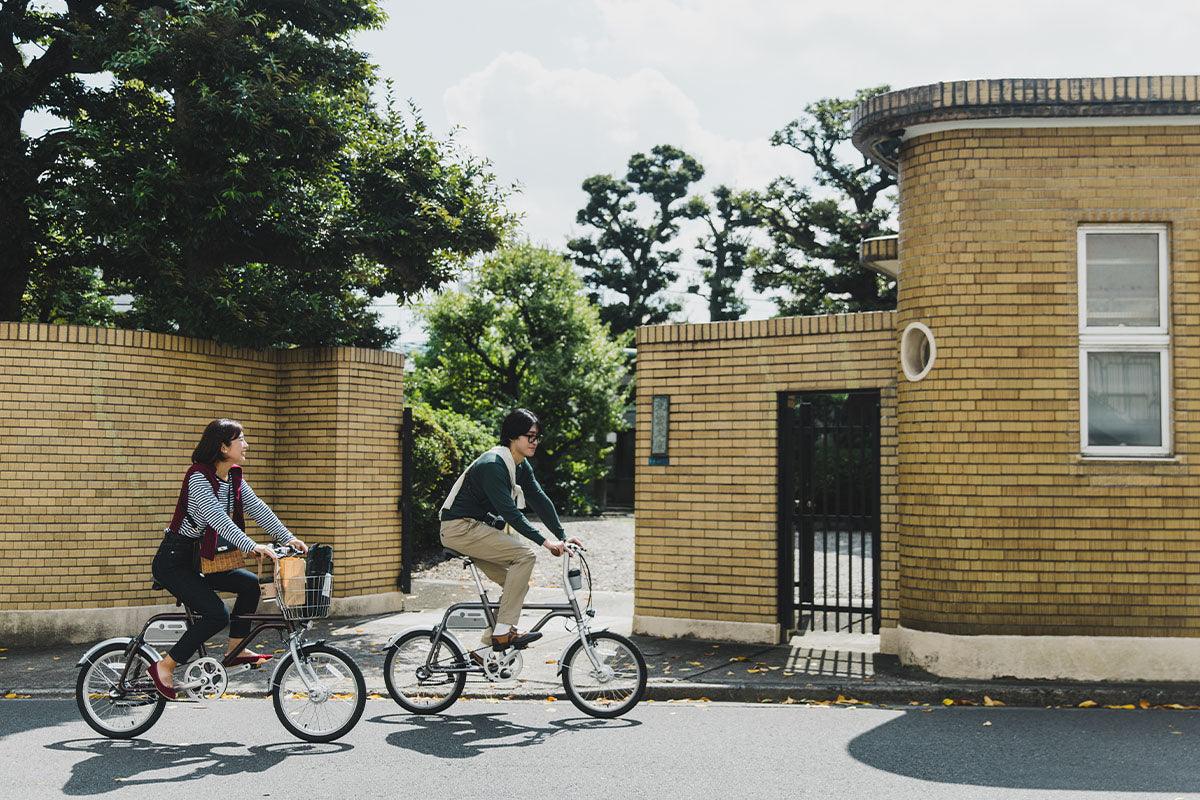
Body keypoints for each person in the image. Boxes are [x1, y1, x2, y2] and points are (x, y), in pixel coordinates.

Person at [148, 419, 308, 699]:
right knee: (215, 614)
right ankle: (165, 666)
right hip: (174, 561)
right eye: (240, 440)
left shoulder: (233, 477)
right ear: (223, 447)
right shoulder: (198, 477)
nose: (246, 445)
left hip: (201, 560)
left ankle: (235, 650)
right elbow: (217, 519)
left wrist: (287, 537)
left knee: (248, 585)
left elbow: (257, 507)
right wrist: (251, 545)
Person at [440, 409, 582, 655]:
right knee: (525, 556)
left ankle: (485, 651)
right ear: (513, 437)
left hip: (474, 528)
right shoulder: (493, 465)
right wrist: (545, 542)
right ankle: (503, 632)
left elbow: (538, 497)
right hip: (459, 527)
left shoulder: (519, 464)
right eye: (530, 436)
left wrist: (561, 534)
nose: (535, 442)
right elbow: (511, 514)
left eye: (537, 437)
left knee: (515, 583)